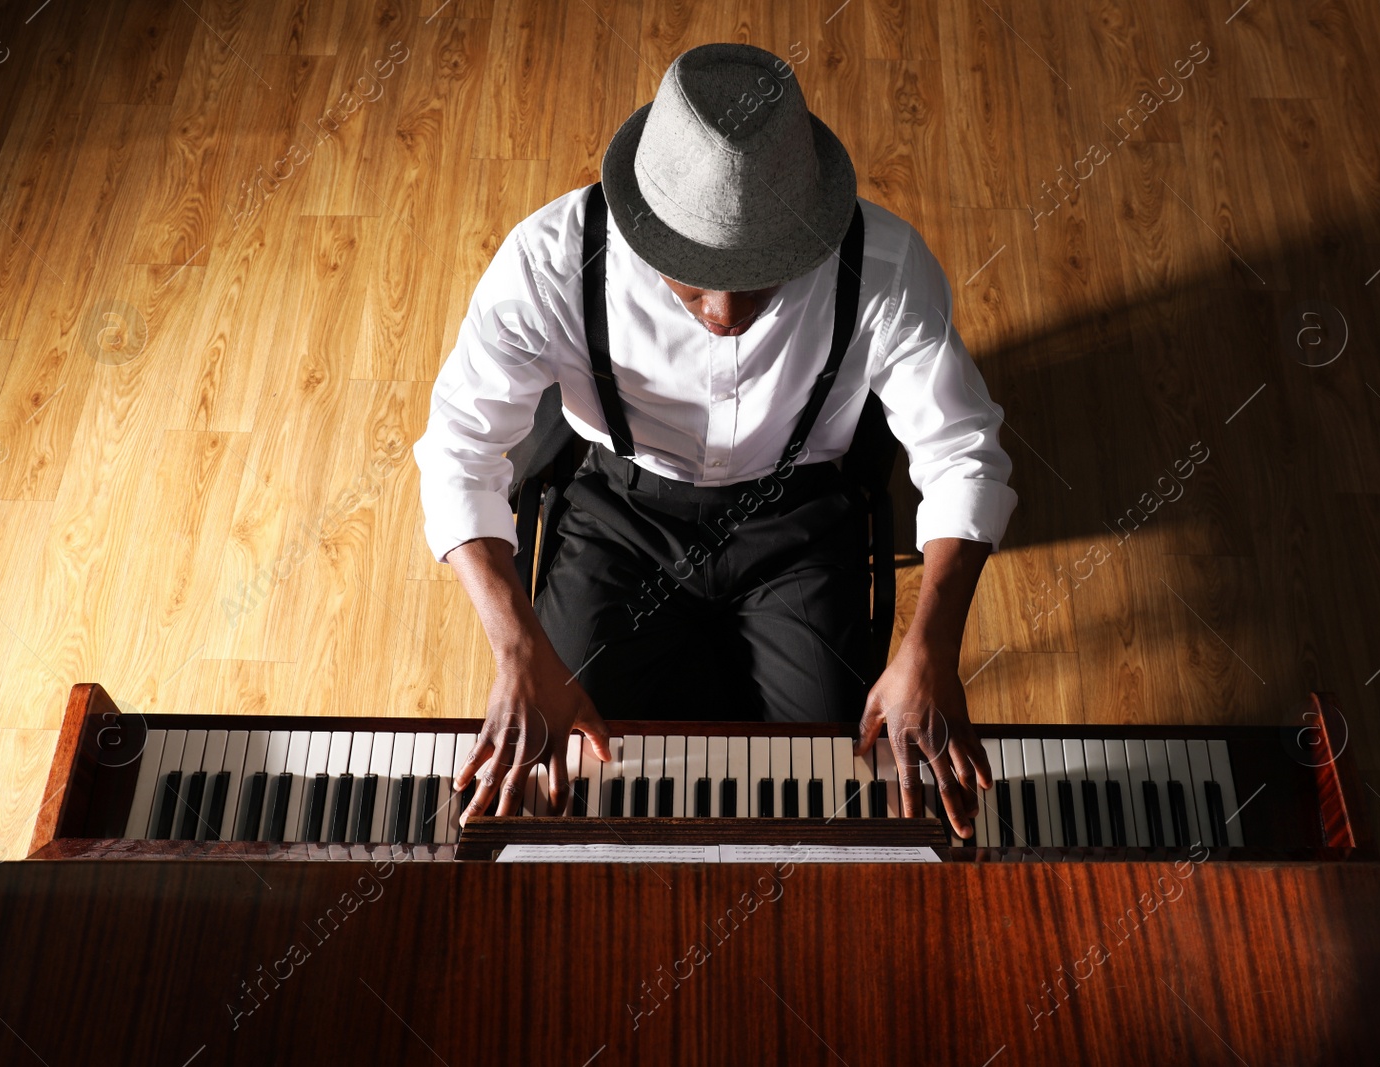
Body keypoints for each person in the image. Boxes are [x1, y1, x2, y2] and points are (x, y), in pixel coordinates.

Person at [412, 42, 1016, 836]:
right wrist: (515, 647)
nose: (725, 312)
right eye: (691, 278)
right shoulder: (551, 262)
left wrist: (934, 643)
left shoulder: (886, 264)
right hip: (621, 513)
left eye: (762, 272)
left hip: (799, 518)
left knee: (832, 788)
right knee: (579, 792)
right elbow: (458, 449)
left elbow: (964, 451)